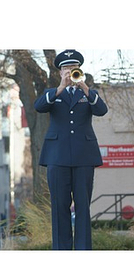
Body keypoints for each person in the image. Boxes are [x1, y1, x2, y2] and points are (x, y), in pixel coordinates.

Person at [34, 49, 108, 250]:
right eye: (66, 68)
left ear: (79, 70)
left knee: (83, 207)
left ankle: (83, 250)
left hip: (84, 157)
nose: (69, 71)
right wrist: (60, 88)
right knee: (59, 207)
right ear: (60, 72)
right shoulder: (52, 94)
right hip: (57, 158)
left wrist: (84, 87)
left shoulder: (88, 94)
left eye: (73, 68)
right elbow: (38, 107)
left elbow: (102, 110)